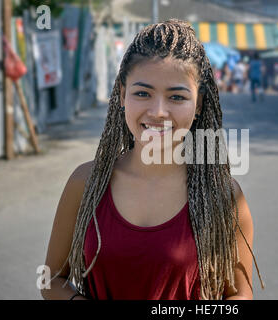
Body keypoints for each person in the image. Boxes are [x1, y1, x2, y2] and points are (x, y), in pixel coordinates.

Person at [41, 19, 264, 301]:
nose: (158, 112)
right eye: (143, 93)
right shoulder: (86, 183)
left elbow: (239, 295)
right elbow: (50, 280)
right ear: (123, 95)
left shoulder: (223, 196)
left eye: (177, 97)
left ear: (198, 107)